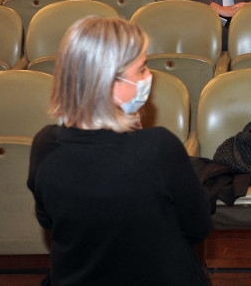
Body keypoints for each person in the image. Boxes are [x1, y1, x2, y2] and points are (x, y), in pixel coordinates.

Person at [28, 15, 211, 286]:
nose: (150, 76)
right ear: (109, 84)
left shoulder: (45, 144)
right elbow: (197, 227)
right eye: (142, 69)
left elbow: (49, 222)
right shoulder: (158, 147)